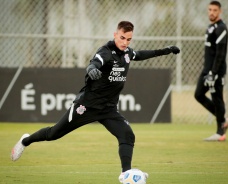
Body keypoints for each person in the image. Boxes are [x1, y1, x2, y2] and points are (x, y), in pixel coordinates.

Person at [11, 21, 180, 183]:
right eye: (122, 37)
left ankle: (125, 174)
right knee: (53, 134)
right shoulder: (105, 52)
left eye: (128, 39)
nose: (125, 42)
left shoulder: (128, 53)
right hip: (86, 106)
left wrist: (166, 50)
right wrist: (92, 69)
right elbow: (95, 62)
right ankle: (25, 141)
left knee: (127, 135)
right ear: (115, 34)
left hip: (108, 110)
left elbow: (141, 54)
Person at [194, 1, 228, 141]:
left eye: (215, 10)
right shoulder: (211, 27)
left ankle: (220, 132)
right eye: (210, 9)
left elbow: (220, 54)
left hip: (216, 71)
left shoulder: (221, 28)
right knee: (198, 94)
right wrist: (207, 71)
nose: (211, 12)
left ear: (220, 11)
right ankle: (223, 119)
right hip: (206, 70)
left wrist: (213, 73)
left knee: (217, 98)